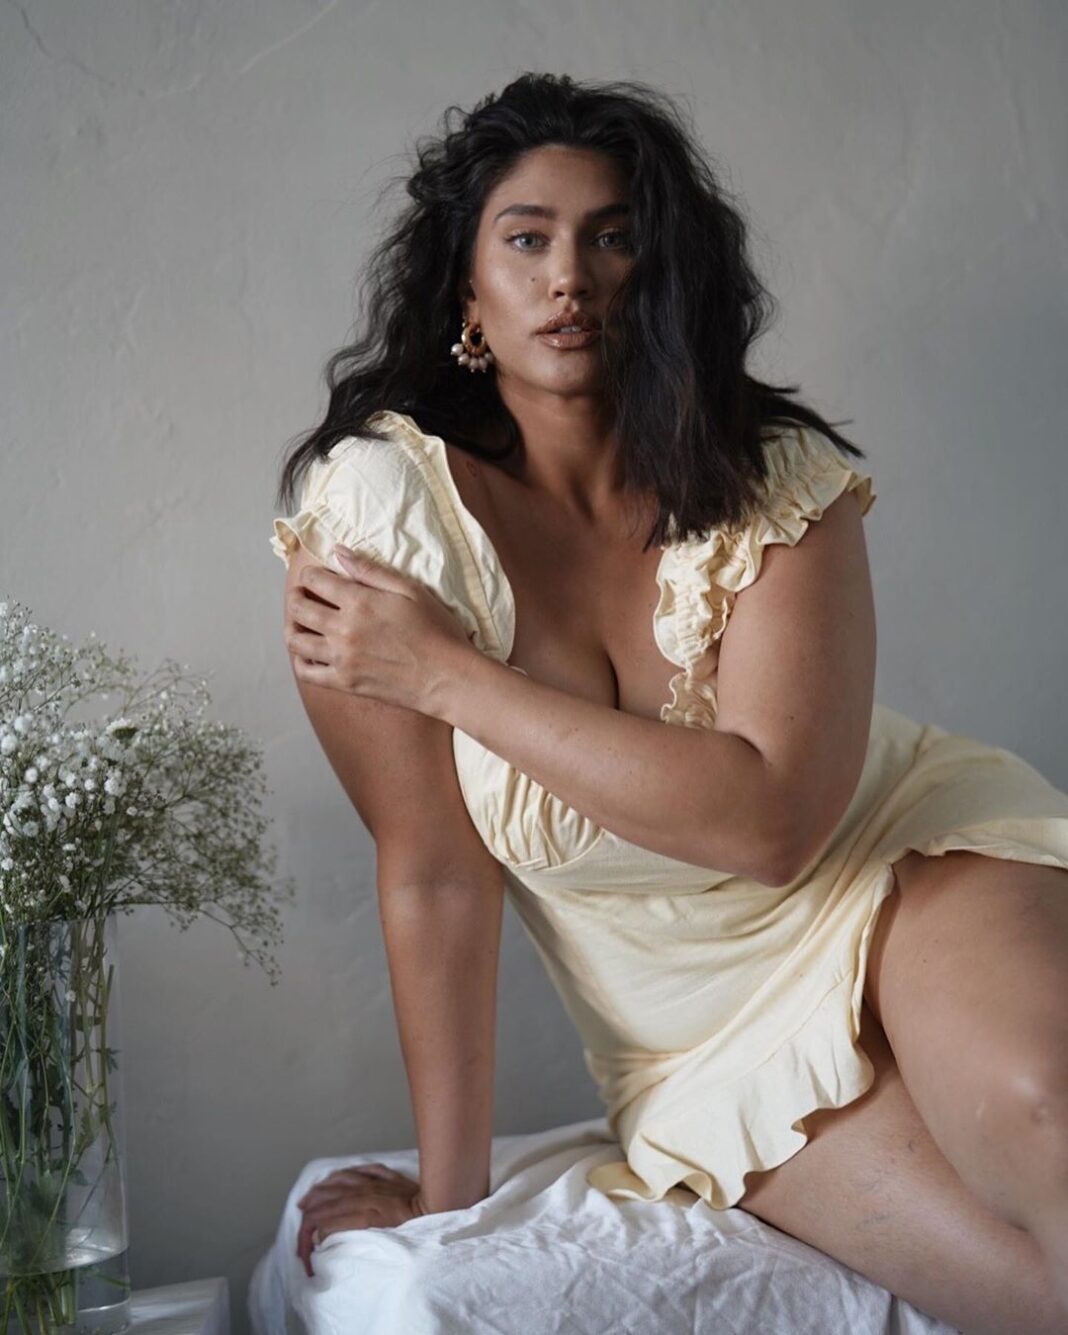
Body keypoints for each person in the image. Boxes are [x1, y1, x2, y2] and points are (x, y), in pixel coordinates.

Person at [270, 73, 1068, 1331]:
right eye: (526, 239)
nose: (569, 278)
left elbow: (772, 825)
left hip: (898, 859)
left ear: (663, 274)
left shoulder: (776, 477)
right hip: (700, 1037)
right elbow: (435, 876)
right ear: (467, 291)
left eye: (612, 237)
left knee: (1045, 1108)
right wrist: (444, 1196)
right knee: (1033, 1286)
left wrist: (447, 674)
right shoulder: (384, 518)